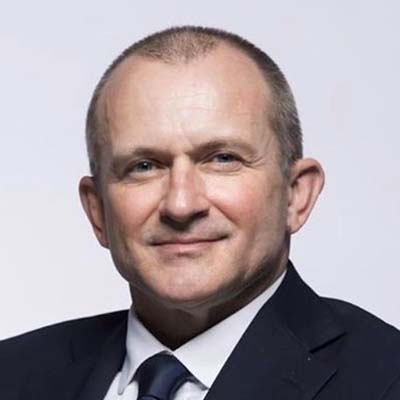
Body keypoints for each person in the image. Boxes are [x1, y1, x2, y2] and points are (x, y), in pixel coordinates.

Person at [1, 26, 400, 400]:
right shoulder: (12, 373)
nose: (181, 204)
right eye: (144, 166)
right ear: (97, 210)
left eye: (223, 159)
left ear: (296, 195)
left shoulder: (384, 378)